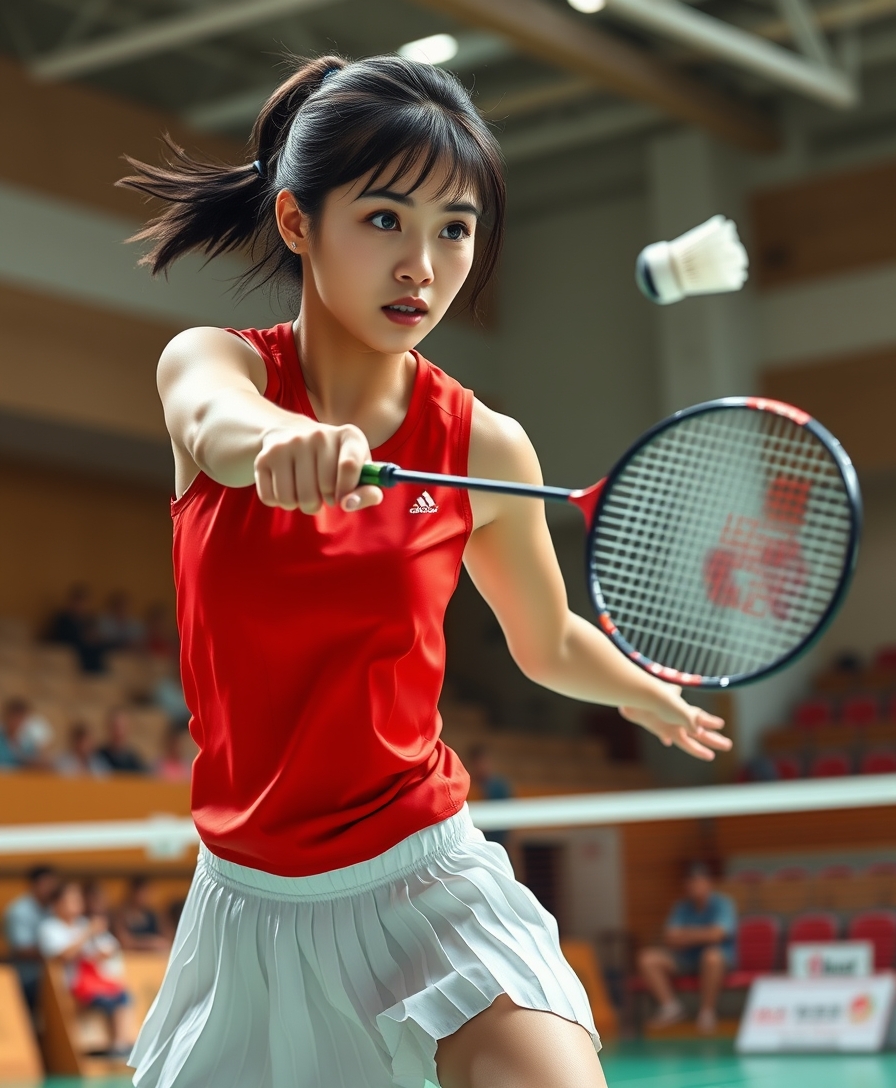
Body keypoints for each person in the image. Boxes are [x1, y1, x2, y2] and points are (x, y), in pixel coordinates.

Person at [118, 53, 730, 1088]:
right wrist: (279, 446)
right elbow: (217, 426)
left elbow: (545, 640)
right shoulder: (213, 365)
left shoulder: (483, 446)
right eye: (384, 219)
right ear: (299, 221)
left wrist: (639, 692)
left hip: (423, 877)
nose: (423, 265)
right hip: (250, 906)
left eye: (454, 227)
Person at [37, 880, 134, 1059]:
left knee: (122, 995)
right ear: (56, 903)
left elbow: (109, 947)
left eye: (77, 899)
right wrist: (87, 933)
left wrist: (101, 952)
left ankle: (120, 1043)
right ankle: (116, 1044)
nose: (76, 904)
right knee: (107, 999)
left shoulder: (83, 923)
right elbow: (64, 956)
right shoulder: (49, 928)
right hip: (69, 985)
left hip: (92, 980)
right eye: (70, 900)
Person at [637, 862, 737, 1035]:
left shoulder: (723, 904)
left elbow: (718, 935)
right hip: (686, 960)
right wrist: (704, 934)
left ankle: (707, 1012)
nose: (695, 885)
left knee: (711, 956)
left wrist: (686, 935)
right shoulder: (681, 907)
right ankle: (671, 1007)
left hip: (717, 961)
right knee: (647, 958)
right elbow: (670, 938)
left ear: (709, 883)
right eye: (691, 881)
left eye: (699, 880)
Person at [2, 864, 60, 1009]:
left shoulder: (54, 907)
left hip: (54, 975)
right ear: (35, 884)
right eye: (47, 884)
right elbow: (22, 949)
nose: (51, 889)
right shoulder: (18, 911)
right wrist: (58, 953)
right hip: (28, 977)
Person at [467, 744, 513, 849]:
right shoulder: (467, 788)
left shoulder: (500, 787)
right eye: (479, 762)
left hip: (500, 841)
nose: (483, 766)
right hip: (475, 844)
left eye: (485, 762)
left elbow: (510, 821)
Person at [112, 877, 171, 953]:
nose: (146, 896)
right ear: (133, 893)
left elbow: (167, 939)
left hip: (154, 958)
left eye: (148, 892)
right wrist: (152, 943)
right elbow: (126, 943)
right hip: (132, 959)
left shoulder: (154, 915)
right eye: (142, 892)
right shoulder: (121, 916)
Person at [0, 697, 53, 770]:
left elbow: (39, 760)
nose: (16, 722)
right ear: (7, 716)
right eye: (14, 717)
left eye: (20, 718)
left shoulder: (27, 742)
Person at [96, 709, 147, 774]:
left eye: (122, 727)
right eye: (115, 727)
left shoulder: (134, 761)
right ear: (108, 727)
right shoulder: (98, 757)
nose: (119, 732)